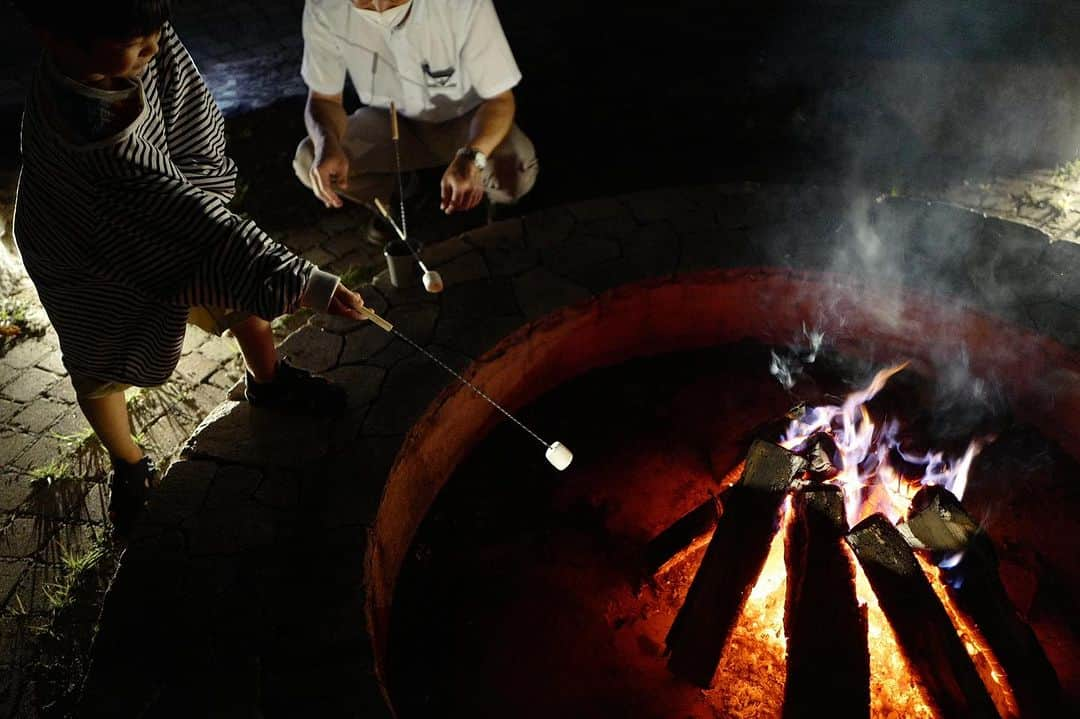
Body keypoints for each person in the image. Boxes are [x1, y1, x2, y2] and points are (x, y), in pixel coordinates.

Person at [11, 0, 369, 540]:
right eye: (135, 48)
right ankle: (130, 466)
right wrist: (301, 280)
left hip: (177, 204)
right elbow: (168, 211)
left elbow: (189, 122)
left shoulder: (133, 31)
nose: (153, 51)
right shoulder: (88, 126)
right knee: (97, 359)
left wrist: (211, 203)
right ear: (53, 38)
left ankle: (268, 383)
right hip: (78, 244)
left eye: (156, 35)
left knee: (231, 275)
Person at [294, 0, 538, 238]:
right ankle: (397, 200)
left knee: (516, 170)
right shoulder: (324, 7)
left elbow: (500, 99)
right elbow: (324, 100)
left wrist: (472, 156)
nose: (373, 6)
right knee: (310, 158)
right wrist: (328, 143)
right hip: (390, 123)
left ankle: (496, 215)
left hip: (464, 120)